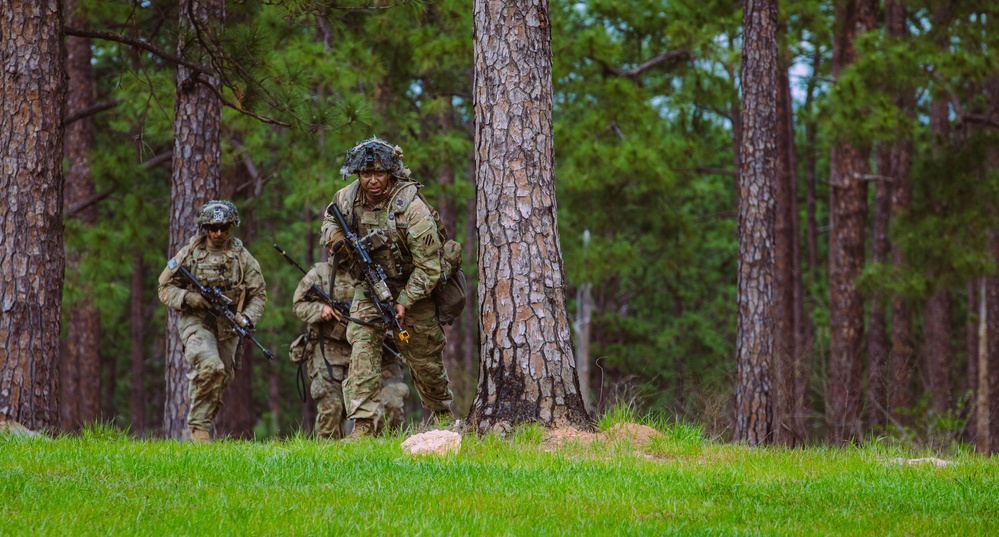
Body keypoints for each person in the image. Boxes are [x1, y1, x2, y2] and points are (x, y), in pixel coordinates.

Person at [321, 137, 454, 438]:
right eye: (366, 174)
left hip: (414, 287)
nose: (372, 181)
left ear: (391, 172)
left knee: (423, 355)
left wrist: (405, 300)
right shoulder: (347, 197)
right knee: (363, 347)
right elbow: (330, 221)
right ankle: (364, 425)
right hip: (369, 286)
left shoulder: (413, 209)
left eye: (379, 173)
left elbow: (429, 267)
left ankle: (443, 417)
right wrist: (338, 241)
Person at [157, 200, 268, 443]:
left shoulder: (241, 257)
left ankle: (200, 429)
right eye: (213, 228)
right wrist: (189, 297)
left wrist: (247, 318)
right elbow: (164, 288)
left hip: (228, 327)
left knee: (220, 379)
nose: (218, 233)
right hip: (197, 323)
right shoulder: (189, 254)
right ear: (205, 228)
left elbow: (258, 294)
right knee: (211, 366)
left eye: (224, 228)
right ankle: (198, 432)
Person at [292, 253, 410, 438]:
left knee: (386, 405)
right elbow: (298, 304)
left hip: (371, 349)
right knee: (332, 406)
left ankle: (380, 452)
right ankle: (327, 456)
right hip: (331, 351)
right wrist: (319, 309)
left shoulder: (373, 273)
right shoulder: (319, 274)